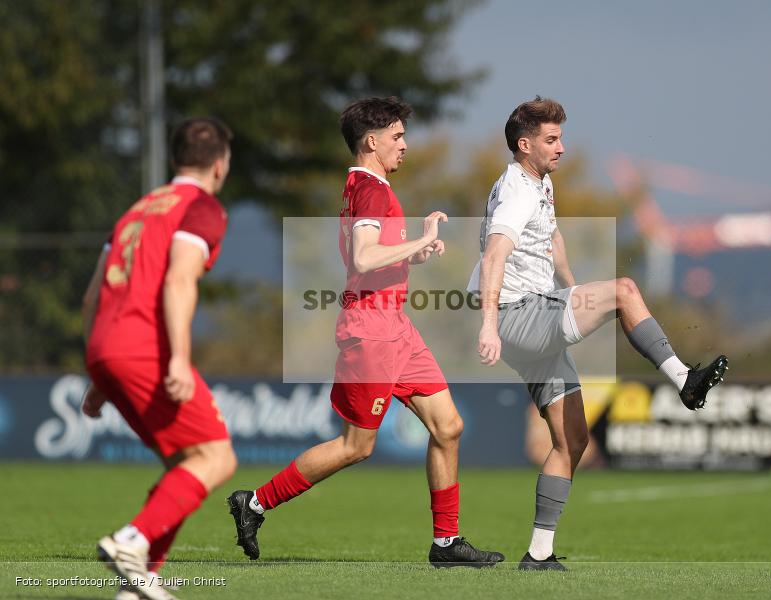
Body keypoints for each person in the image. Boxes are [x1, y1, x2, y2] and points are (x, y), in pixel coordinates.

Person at [227, 96, 503, 568]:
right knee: (357, 446)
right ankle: (253, 504)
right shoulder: (372, 189)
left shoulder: (364, 185)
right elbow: (362, 257)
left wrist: (414, 252)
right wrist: (420, 239)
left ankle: (446, 544)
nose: (405, 145)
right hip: (371, 333)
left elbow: (373, 257)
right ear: (371, 142)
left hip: (396, 328)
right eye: (397, 137)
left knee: (448, 427)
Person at [469, 97, 728, 571]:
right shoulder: (517, 190)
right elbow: (494, 255)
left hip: (534, 312)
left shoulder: (538, 183)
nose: (562, 147)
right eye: (552, 139)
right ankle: (684, 381)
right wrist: (489, 324)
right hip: (518, 315)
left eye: (561, 137)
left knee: (572, 441)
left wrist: (573, 292)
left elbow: (551, 240)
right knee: (625, 290)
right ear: (524, 145)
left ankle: (538, 555)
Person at [81, 117, 237, 600]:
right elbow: (178, 280)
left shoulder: (137, 209)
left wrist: (98, 375)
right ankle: (131, 541)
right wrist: (178, 360)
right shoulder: (202, 207)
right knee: (217, 456)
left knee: (186, 462)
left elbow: (92, 298)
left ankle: (139, 585)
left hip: (106, 346)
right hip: (144, 346)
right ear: (220, 163)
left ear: (174, 160)